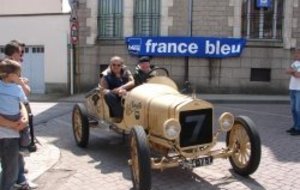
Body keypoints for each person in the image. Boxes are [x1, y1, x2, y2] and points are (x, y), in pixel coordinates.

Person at [0, 59, 29, 190]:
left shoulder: (12, 87)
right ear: (11, 75)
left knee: (9, 169)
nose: (20, 76)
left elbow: (23, 105)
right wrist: (13, 124)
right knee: (10, 170)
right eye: (18, 74)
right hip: (9, 134)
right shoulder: (16, 88)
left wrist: (23, 119)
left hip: (11, 133)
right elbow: (25, 101)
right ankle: (25, 146)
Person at [99, 56, 134, 121]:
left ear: (121, 65)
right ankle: (120, 116)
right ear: (110, 65)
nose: (116, 66)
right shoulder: (105, 75)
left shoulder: (126, 71)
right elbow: (103, 90)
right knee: (108, 95)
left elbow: (132, 82)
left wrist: (122, 88)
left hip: (126, 93)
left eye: (118, 65)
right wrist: (116, 92)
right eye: (114, 64)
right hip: (114, 95)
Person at [286, 49, 300, 136]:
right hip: (292, 88)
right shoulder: (295, 63)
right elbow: (287, 70)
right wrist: (294, 72)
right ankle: (295, 126)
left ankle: (299, 128)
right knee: (293, 109)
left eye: (297, 54)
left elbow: (298, 75)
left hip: (299, 90)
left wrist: (292, 72)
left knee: (298, 109)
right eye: (296, 53)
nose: (295, 55)